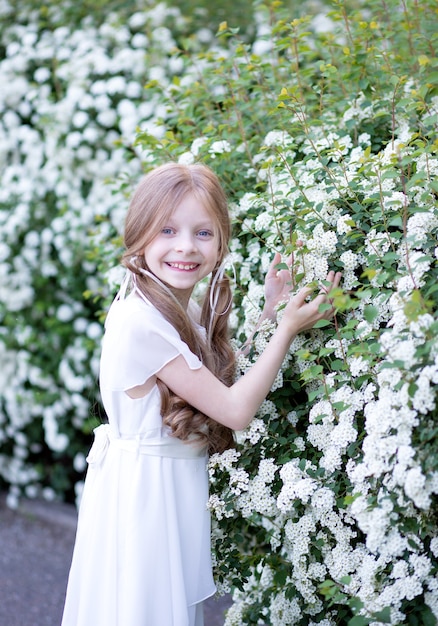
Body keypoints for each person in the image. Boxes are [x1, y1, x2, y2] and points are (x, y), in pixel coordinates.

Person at [61, 162, 341, 626]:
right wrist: (287, 330)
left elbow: (215, 386)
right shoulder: (141, 322)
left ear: (221, 243)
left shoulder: (167, 301)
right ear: (140, 235)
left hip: (157, 489)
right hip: (145, 500)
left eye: (203, 233)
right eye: (167, 230)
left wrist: (271, 312)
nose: (186, 247)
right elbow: (234, 410)